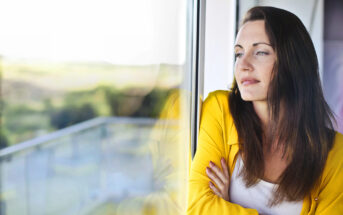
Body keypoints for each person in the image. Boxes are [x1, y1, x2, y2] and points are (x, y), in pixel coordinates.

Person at [187, 6, 343, 215]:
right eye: (239, 53)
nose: (243, 64)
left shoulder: (336, 153)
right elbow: (198, 207)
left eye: (260, 52)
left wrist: (226, 206)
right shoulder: (220, 110)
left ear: (292, 61)